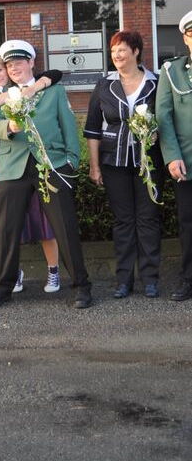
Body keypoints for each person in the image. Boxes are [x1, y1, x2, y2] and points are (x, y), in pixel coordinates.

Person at [0, 40, 91, 310]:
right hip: (13, 166)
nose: (14, 68)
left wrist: (71, 161)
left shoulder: (52, 91)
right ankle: (3, 288)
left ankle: (81, 286)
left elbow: (68, 125)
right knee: (7, 230)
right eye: (9, 64)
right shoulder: (4, 94)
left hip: (51, 163)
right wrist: (9, 126)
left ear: (31, 62)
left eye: (19, 62)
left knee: (64, 227)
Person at [84, 30, 164, 299]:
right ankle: (124, 280)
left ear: (136, 51)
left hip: (149, 162)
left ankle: (150, 279)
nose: (117, 55)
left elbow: (166, 119)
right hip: (113, 162)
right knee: (123, 221)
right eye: (113, 51)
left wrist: (157, 133)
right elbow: (92, 129)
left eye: (122, 49)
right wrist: (94, 166)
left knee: (149, 219)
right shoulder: (103, 85)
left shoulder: (157, 83)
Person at [0, 56, 61, 294]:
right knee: (9, 225)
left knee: (43, 220)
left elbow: (55, 74)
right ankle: (15, 273)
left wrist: (33, 87)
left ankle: (53, 270)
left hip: (35, 162)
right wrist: (13, 95)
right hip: (4, 167)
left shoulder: (26, 85)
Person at [156, 10, 192, 301]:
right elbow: (163, 117)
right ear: (185, 38)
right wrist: (171, 156)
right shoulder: (172, 70)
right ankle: (189, 278)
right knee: (188, 223)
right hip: (187, 162)